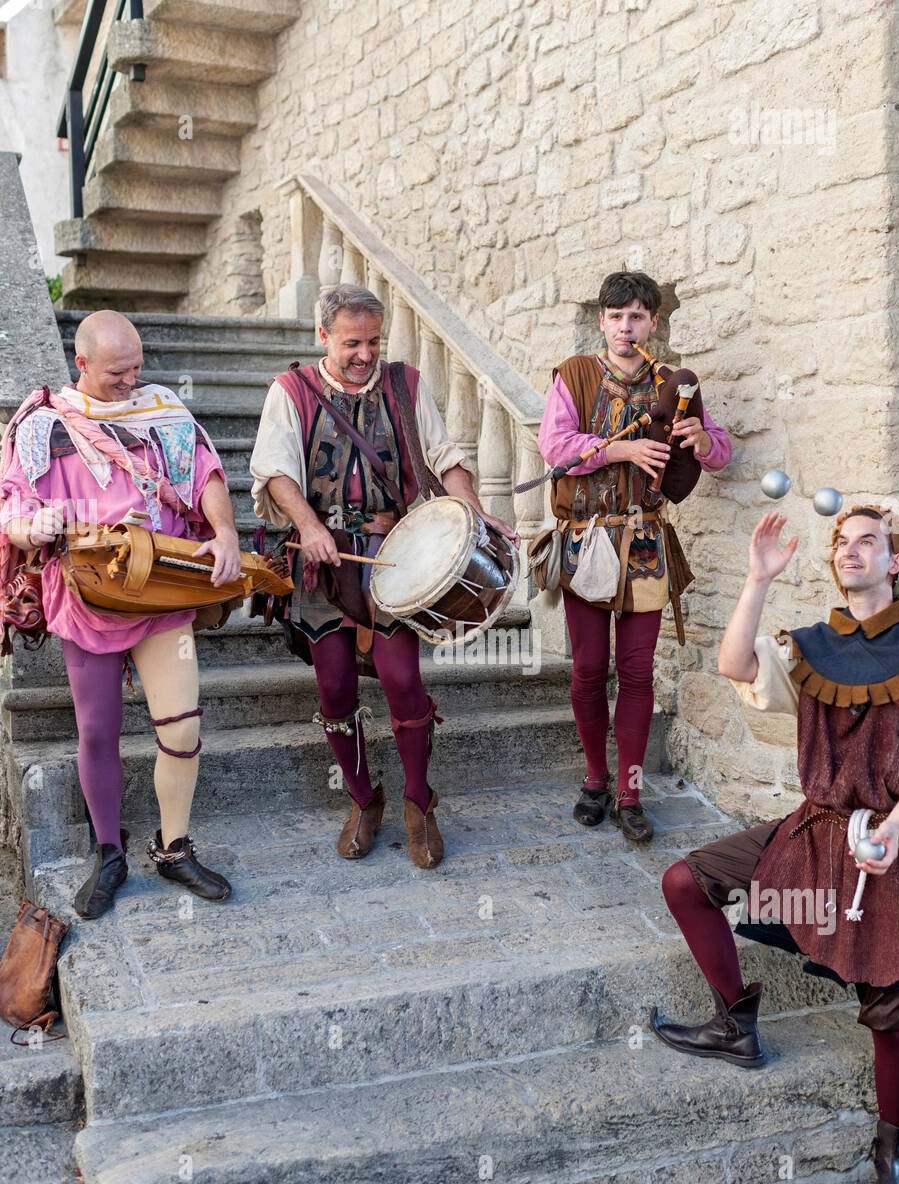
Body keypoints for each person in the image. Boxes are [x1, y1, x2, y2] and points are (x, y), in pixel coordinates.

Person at [651, 507, 899, 1184]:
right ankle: (734, 1025)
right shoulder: (814, 647)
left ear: (895, 564)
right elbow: (734, 664)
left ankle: (894, 1155)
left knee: (888, 1015)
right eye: (840, 541)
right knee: (685, 881)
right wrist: (756, 579)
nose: (848, 551)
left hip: (885, 840)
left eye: (866, 542)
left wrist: (890, 828)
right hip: (814, 830)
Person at [249, 283, 517, 867]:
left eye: (373, 341)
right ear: (323, 337)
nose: (365, 354)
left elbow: (446, 457)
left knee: (402, 682)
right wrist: (310, 527)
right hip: (321, 566)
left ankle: (420, 803)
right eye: (351, 342)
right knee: (335, 690)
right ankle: (363, 798)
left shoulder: (407, 384)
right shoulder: (289, 392)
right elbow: (274, 473)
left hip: (394, 557)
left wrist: (471, 508)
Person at [0, 310, 240, 917]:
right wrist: (34, 526)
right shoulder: (40, 426)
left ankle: (174, 848)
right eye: (116, 373)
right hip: (87, 598)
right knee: (98, 732)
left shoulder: (161, 408)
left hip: (161, 591)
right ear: (80, 364)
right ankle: (109, 854)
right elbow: (11, 508)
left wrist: (227, 531)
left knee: (182, 729)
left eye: (136, 367)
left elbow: (204, 469)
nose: (131, 382)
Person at [537, 270, 731, 843]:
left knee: (639, 671)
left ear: (653, 323)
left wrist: (702, 441)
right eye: (617, 316)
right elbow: (554, 448)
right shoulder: (573, 374)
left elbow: (718, 451)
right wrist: (620, 447)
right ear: (602, 321)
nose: (627, 327)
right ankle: (595, 779)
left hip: (645, 541)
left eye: (638, 317)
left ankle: (631, 790)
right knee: (590, 668)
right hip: (587, 539)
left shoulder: (676, 383)